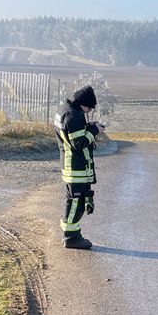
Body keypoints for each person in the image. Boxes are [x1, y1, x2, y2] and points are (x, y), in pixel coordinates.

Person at [55, 84, 101, 250]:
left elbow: (71, 134)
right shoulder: (73, 115)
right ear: (83, 103)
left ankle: (72, 234)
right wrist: (94, 131)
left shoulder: (65, 109)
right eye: (89, 108)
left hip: (70, 164)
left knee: (73, 200)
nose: (89, 111)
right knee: (76, 202)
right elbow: (78, 142)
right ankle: (71, 237)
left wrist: (88, 127)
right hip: (76, 167)